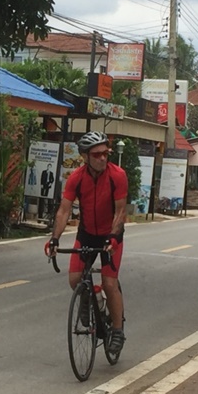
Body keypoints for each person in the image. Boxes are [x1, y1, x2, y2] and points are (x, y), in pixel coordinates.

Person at [44, 131, 128, 356]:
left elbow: (121, 211)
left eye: (105, 153)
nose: (103, 158)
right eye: (97, 154)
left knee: (110, 284)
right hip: (87, 233)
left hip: (111, 233)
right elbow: (64, 210)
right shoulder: (76, 178)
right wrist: (54, 239)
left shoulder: (117, 175)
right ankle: (92, 300)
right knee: (74, 280)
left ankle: (117, 330)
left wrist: (113, 236)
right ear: (85, 156)